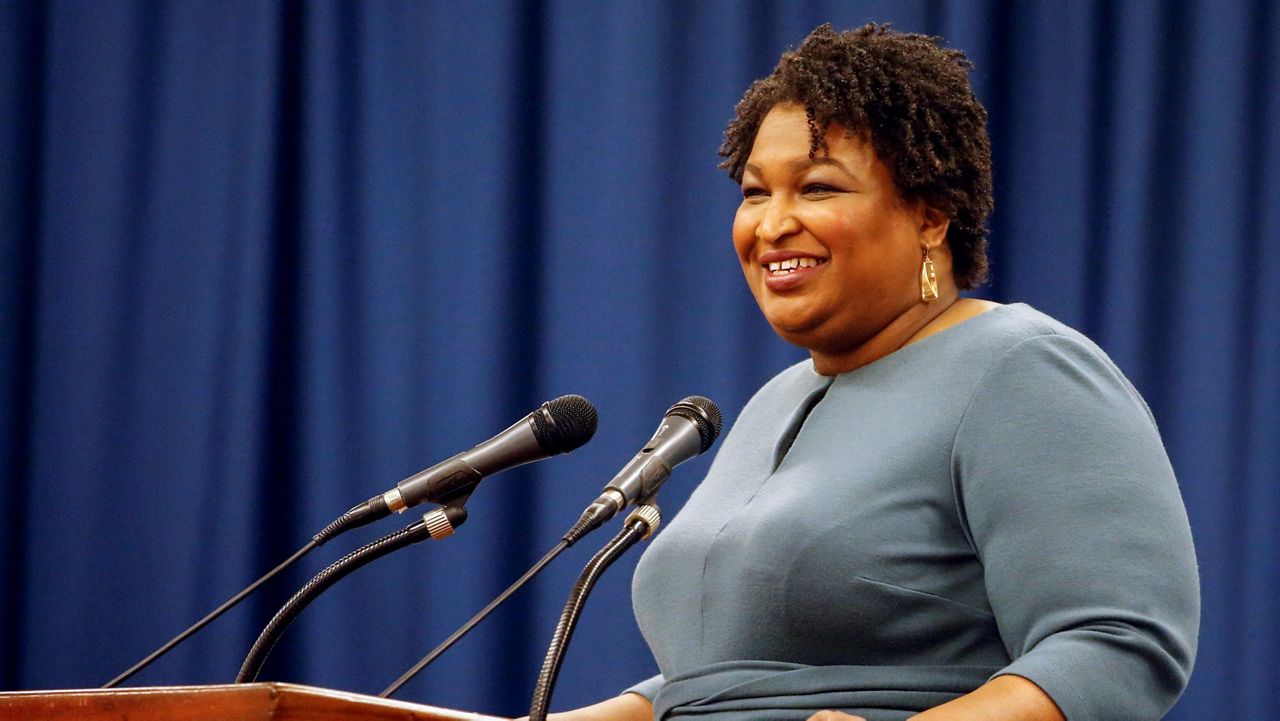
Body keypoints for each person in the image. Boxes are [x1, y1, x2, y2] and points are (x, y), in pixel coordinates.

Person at [555, 23, 1199, 721]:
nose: (772, 226)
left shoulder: (1022, 369)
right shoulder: (775, 402)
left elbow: (1118, 641)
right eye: (754, 193)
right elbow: (720, 686)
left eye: (818, 187)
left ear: (931, 215)